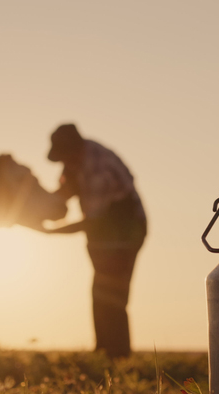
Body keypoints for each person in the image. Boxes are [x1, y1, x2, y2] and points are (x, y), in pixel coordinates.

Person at [45, 123, 147, 358]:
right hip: (103, 235)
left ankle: (117, 355)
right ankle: (103, 351)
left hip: (125, 232)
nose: (63, 164)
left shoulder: (98, 167)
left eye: (64, 156)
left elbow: (92, 221)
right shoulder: (73, 165)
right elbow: (62, 194)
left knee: (113, 291)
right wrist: (39, 208)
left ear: (75, 149)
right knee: (100, 290)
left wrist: (51, 231)